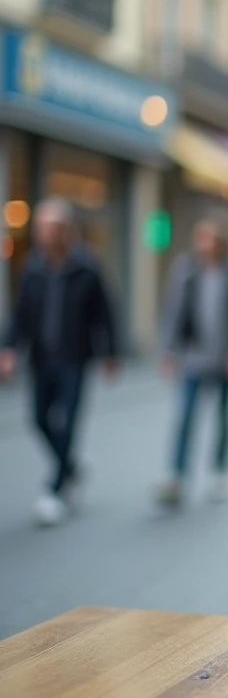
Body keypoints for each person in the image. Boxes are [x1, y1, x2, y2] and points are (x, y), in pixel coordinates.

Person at [0, 199, 118, 526]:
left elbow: (103, 313)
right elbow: (20, 313)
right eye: (39, 227)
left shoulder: (86, 267)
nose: (41, 234)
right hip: (41, 358)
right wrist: (8, 348)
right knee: (38, 418)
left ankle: (55, 488)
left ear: (64, 231)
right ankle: (71, 468)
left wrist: (109, 353)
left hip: (74, 358)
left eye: (48, 228)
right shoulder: (33, 268)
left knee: (66, 421)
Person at [157, 212, 228, 507]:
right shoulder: (186, 270)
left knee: (225, 417)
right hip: (193, 356)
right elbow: (173, 311)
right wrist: (169, 351)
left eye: (210, 238)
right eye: (200, 237)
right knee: (186, 417)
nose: (204, 244)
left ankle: (220, 470)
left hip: (226, 358)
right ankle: (177, 474)